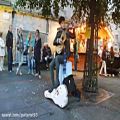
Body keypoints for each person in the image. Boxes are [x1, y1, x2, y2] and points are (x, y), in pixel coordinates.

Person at [49, 16, 75, 90]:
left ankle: (57, 81)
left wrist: (74, 28)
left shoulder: (67, 32)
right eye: (62, 23)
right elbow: (54, 42)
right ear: (60, 24)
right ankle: (53, 85)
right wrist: (58, 41)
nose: (63, 24)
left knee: (57, 58)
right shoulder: (59, 32)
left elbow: (74, 36)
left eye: (64, 23)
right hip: (59, 53)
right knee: (51, 65)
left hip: (65, 54)